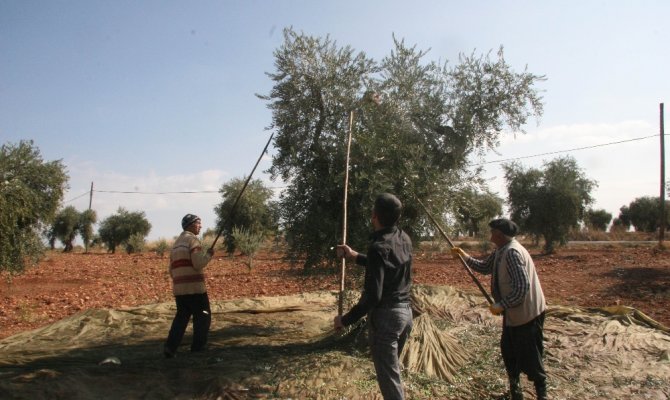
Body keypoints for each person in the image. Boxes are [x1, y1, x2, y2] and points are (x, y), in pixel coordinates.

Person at [451, 218, 547, 400]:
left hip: (527, 315)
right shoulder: (501, 250)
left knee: (530, 357)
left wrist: (501, 305)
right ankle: (515, 392)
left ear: (500, 235)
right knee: (509, 352)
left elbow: (522, 287)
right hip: (513, 316)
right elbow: (486, 267)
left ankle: (542, 394)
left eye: (493, 232)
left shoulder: (512, 253)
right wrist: (464, 257)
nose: (490, 235)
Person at [334, 193, 413, 400]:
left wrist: (345, 320)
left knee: (389, 379)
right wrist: (355, 256)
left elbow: (372, 297)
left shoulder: (378, 248)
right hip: (405, 315)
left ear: (374, 216)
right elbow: (386, 265)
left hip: (386, 319)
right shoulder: (404, 238)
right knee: (392, 374)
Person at [164, 214, 215, 358]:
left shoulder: (176, 245)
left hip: (180, 290)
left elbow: (171, 270)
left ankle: (170, 347)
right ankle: (198, 349)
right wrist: (209, 255)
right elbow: (198, 263)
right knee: (203, 317)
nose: (200, 226)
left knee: (181, 319)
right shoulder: (193, 240)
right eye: (198, 223)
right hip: (195, 289)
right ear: (191, 225)